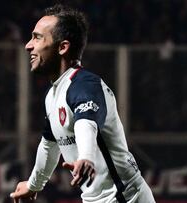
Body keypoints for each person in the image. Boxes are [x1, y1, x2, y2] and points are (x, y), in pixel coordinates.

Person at [10, 4, 155, 203]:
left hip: (125, 198)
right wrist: (33, 185)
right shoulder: (53, 95)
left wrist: (86, 156)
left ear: (63, 47)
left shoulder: (85, 85)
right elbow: (50, 144)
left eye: (37, 37)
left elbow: (86, 123)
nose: (28, 45)